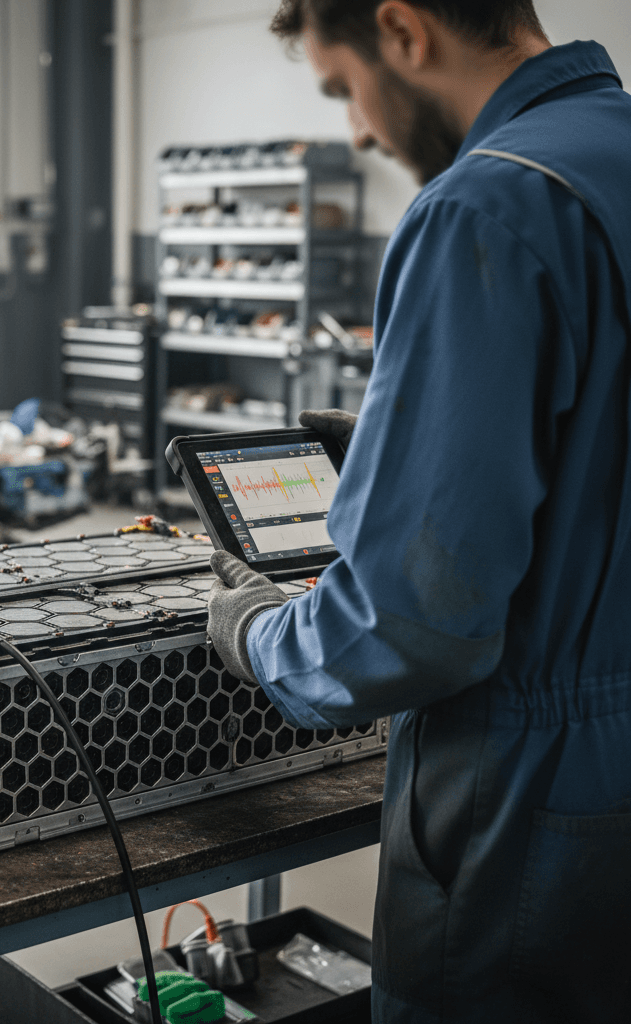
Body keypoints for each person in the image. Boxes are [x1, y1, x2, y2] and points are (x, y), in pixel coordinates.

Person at [205, 2, 631, 1021]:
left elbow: (403, 628)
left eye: (341, 88)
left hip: (531, 819)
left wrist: (260, 633)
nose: (354, 130)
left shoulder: (484, 207)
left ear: (401, 31)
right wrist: (426, 457)